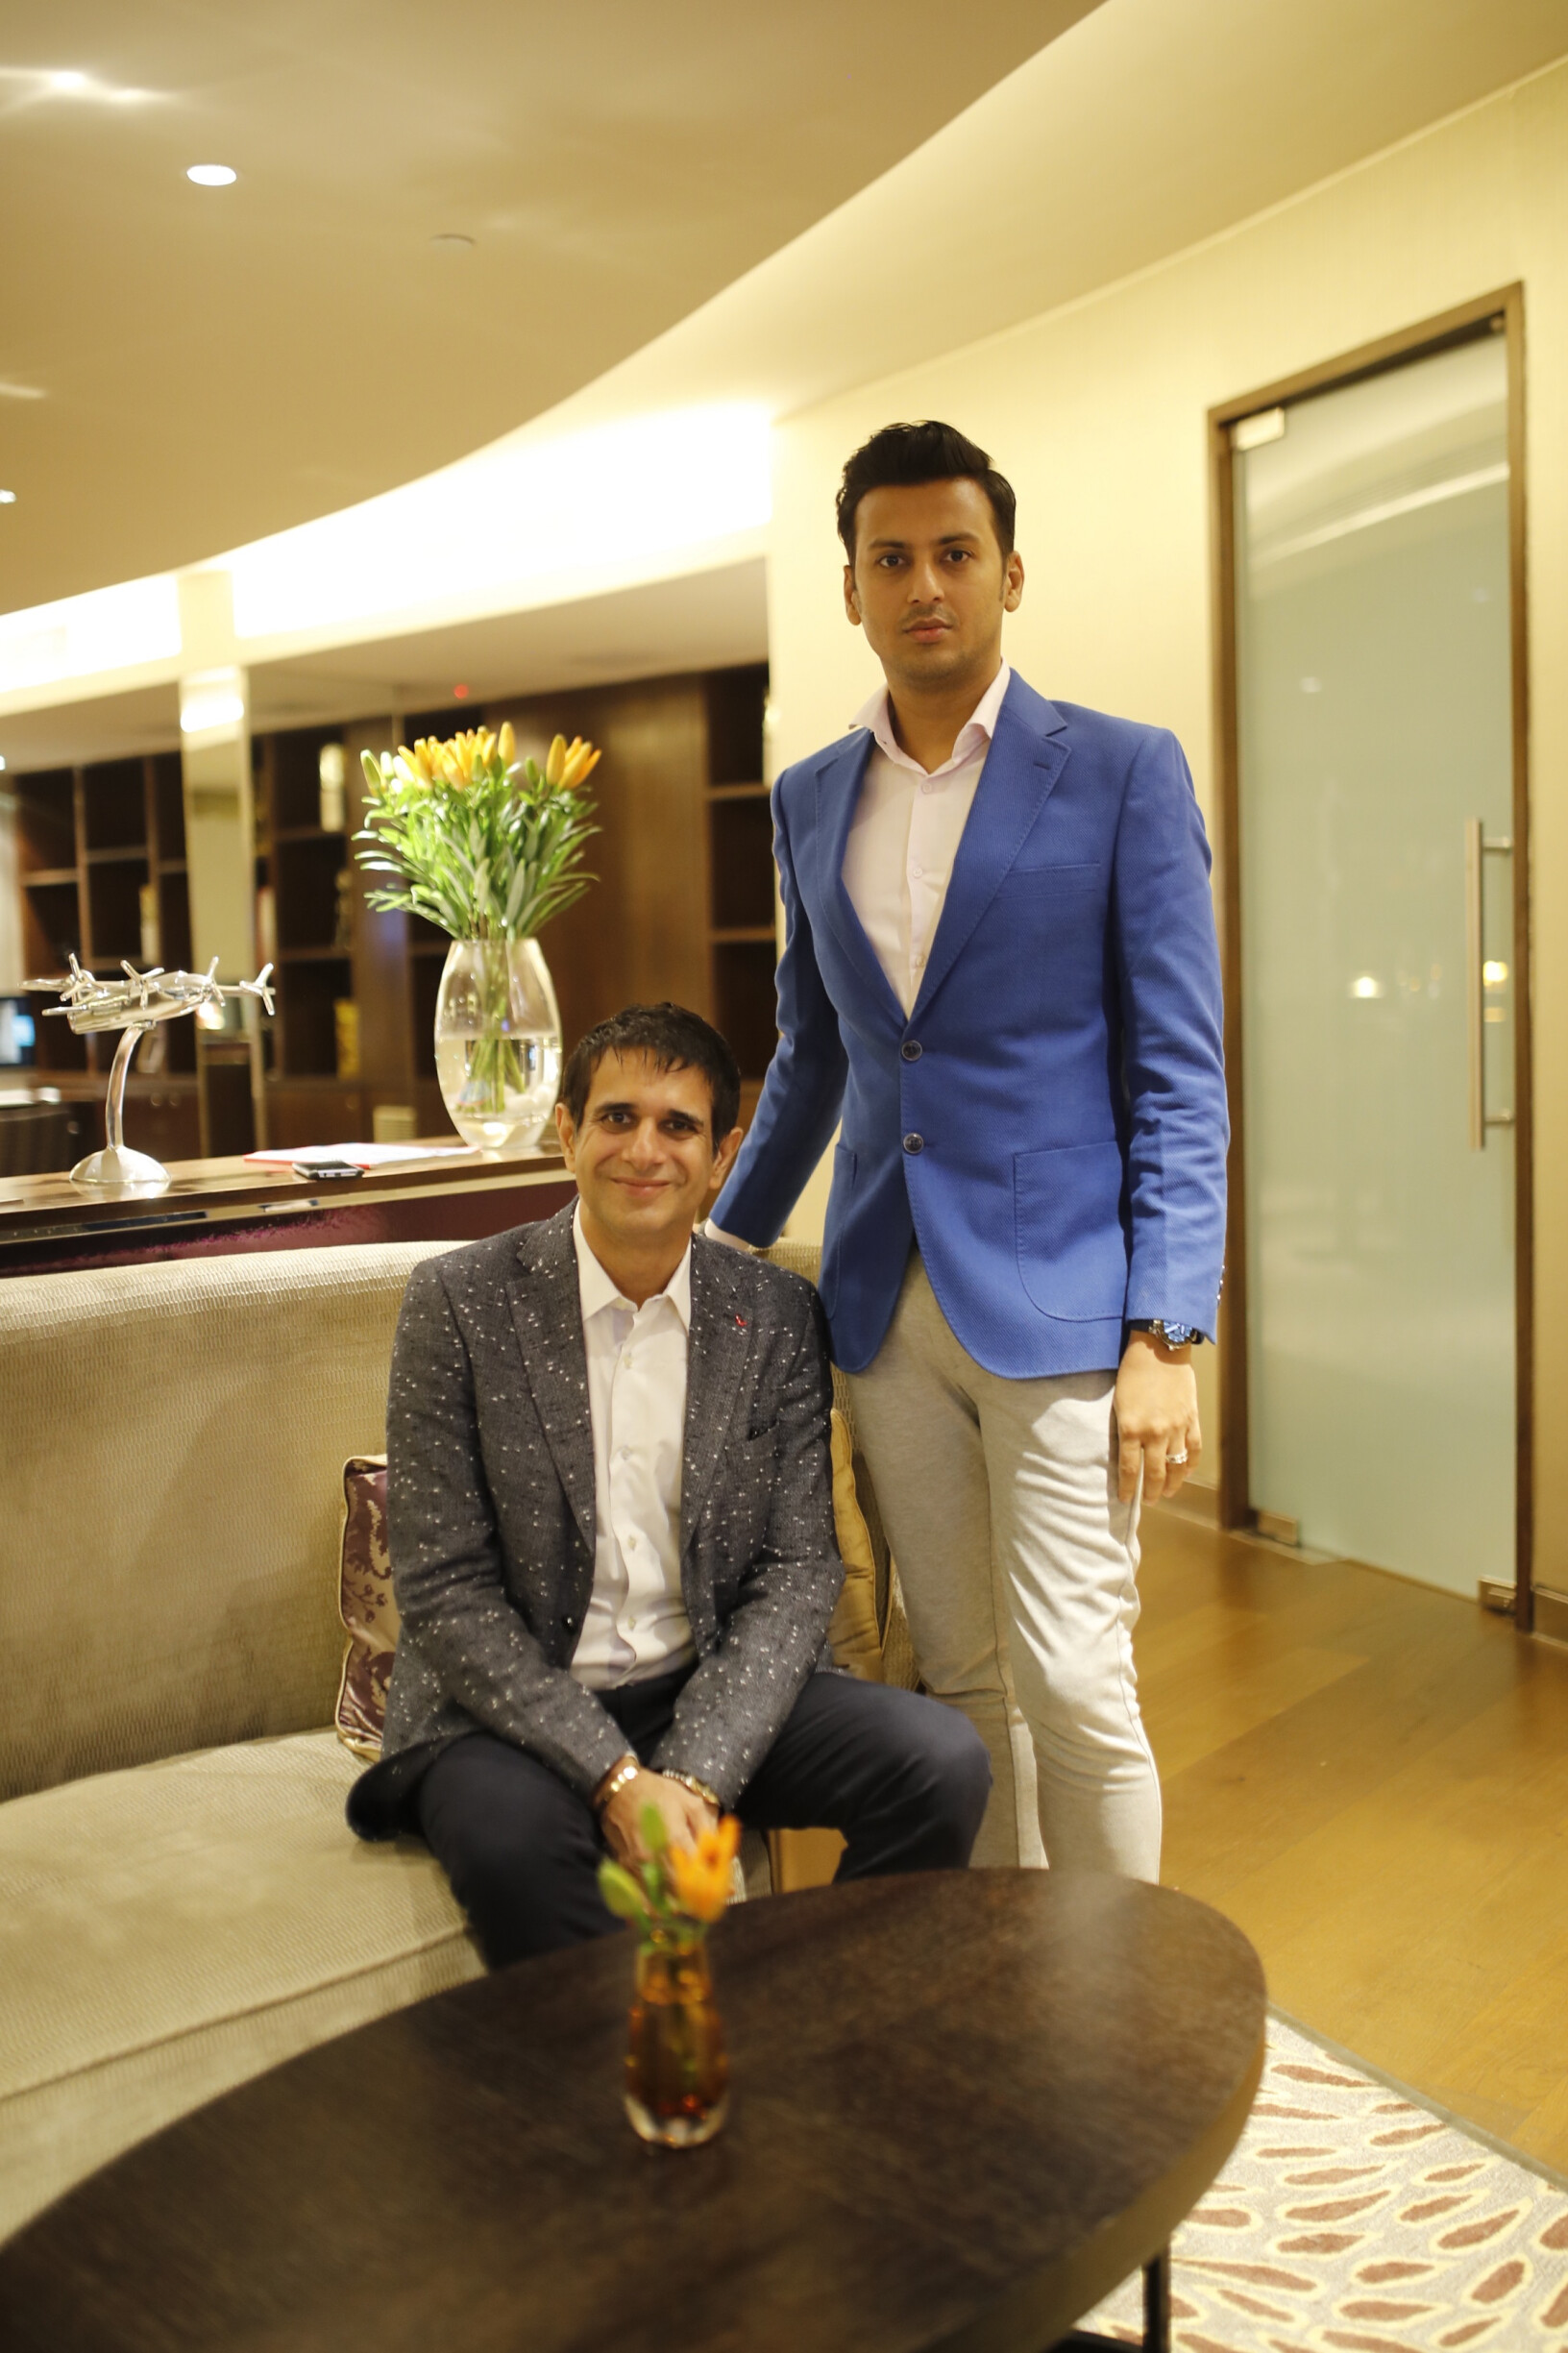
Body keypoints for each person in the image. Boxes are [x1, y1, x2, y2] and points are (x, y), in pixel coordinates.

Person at [708, 421, 1228, 1880]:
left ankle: (1120, 1991)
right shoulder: (811, 795)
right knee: (963, 1677)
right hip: (882, 1307)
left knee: (1077, 1677)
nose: (924, 584)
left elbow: (1180, 1075)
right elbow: (813, 1055)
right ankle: (1013, 1974)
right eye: (892, 559)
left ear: (1010, 572)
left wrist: (1167, 1333)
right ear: (852, 590)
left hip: (1063, 1304)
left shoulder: (1121, 770)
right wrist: (718, 1252)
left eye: (953, 552)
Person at [347, 1001, 990, 1963]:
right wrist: (612, 1776)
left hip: (705, 1679)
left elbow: (798, 1569)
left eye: (678, 1125)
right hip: (508, 1714)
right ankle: (624, 2048)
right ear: (567, 1134)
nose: (644, 1149)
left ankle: (827, 2015)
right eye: (617, 1117)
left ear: (721, 1157)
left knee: (940, 1762)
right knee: (513, 1850)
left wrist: (692, 1773)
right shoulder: (459, 1301)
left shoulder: (775, 1315)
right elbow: (443, 1589)